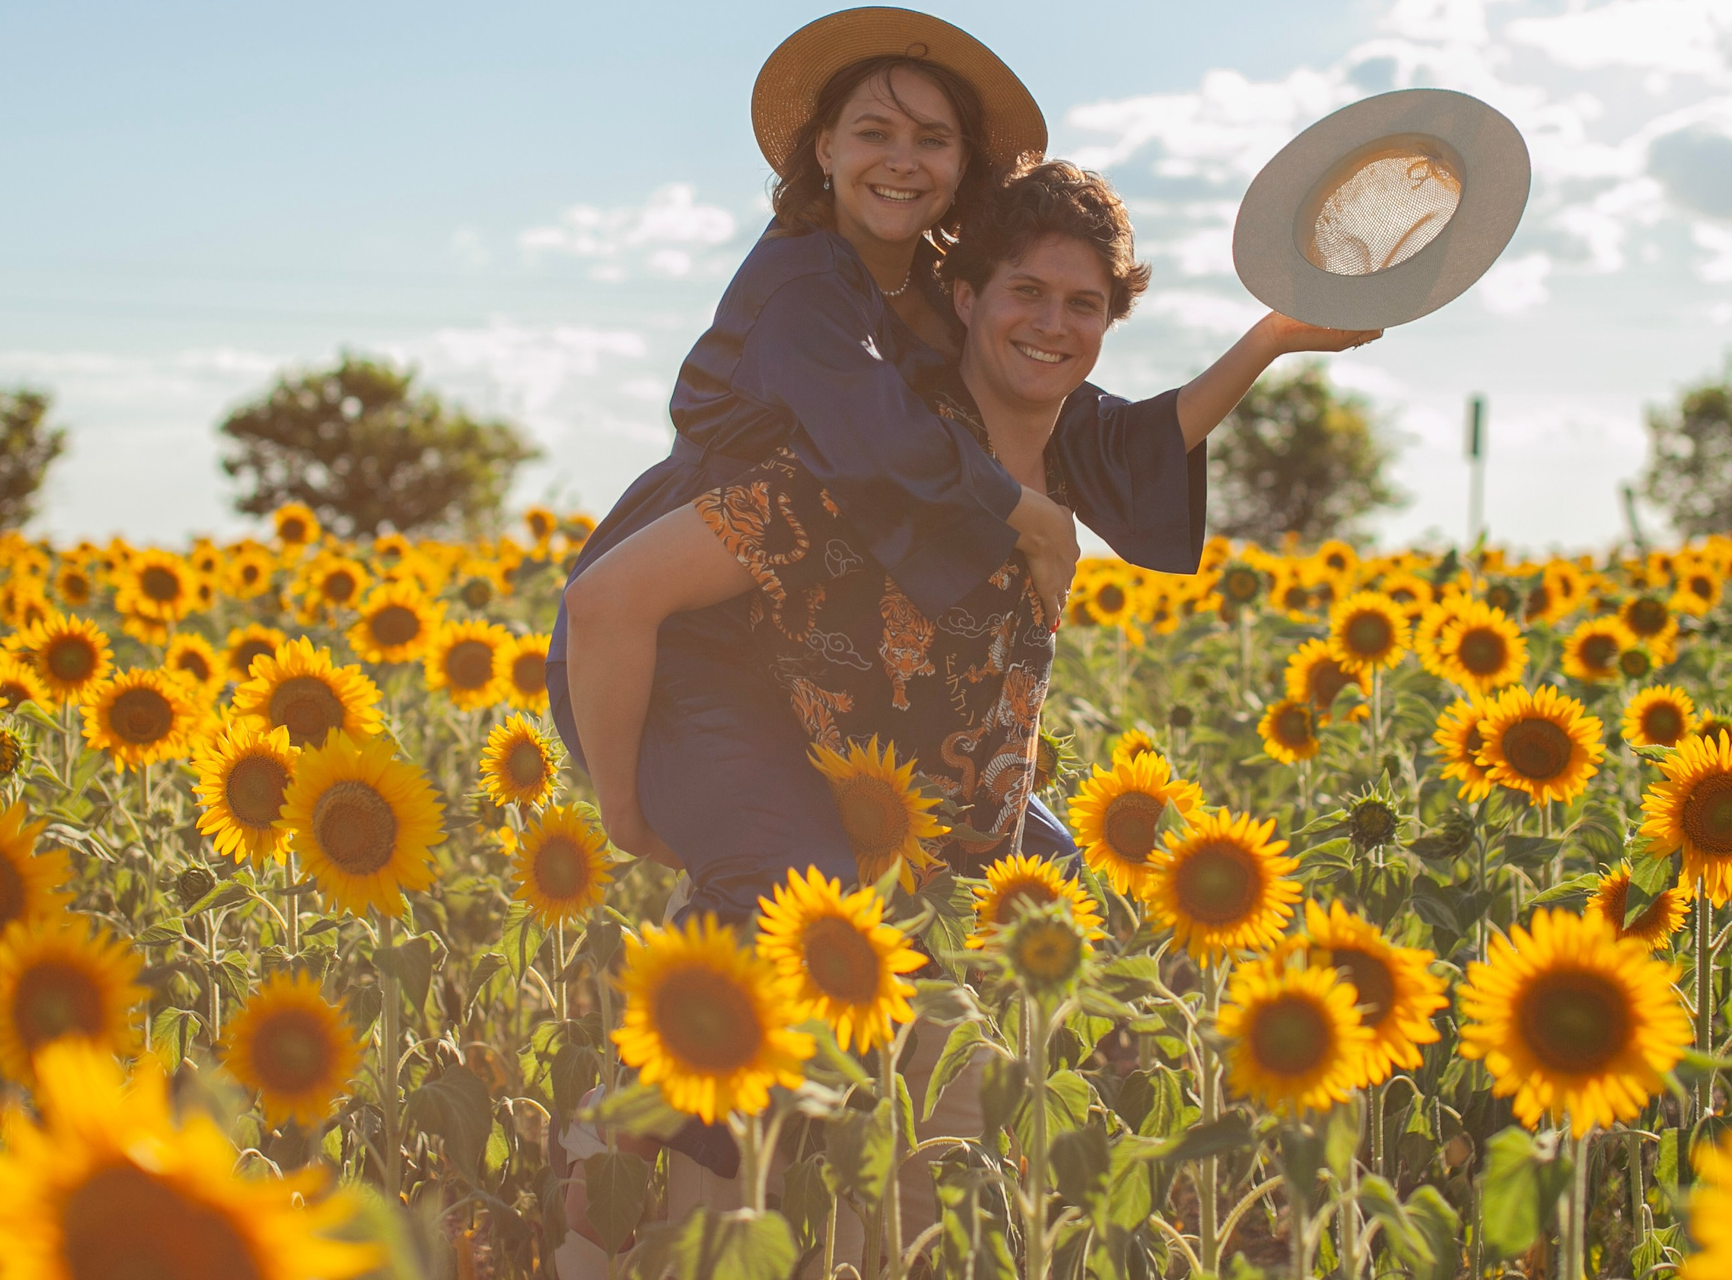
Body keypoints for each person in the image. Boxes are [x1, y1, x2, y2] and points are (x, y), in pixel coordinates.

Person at [566, 159, 1382, 891]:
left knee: (1086, 942)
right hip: (827, 868)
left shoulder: (1065, 450)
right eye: (1026, 292)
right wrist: (626, 814)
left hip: (971, 854)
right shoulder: (878, 466)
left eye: (1083, 304)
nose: (1053, 324)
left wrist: (1274, 336)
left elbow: (1154, 436)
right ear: (964, 297)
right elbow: (608, 600)